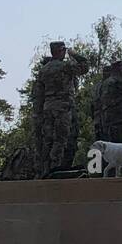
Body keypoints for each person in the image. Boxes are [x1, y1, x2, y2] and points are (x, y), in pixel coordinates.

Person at [39, 41, 90, 175]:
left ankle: (45, 169)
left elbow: (39, 92)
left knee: (48, 139)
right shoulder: (65, 66)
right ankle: (56, 169)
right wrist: (75, 55)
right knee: (61, 139)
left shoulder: (44, 70)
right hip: (63, 106)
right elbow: (85, 67)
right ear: (60, 51)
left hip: (48, 106)